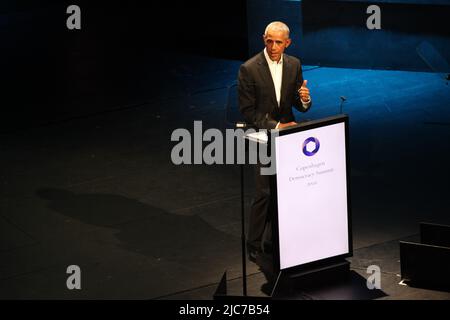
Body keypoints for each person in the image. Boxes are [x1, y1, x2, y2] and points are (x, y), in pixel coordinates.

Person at [238, 21, 312, 262]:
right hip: (262, 137)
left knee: (285, 190)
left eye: (278, 42)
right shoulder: (249, 69)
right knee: (264, 192)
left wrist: (305, 100)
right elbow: (248, 112)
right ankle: (254, 243)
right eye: (269, 40)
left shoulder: (294, 65)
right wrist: (277, 126)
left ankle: (273, 240)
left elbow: (299, 106)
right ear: (263, 39)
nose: (273, 46)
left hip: (288, 137)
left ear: (287, 43)